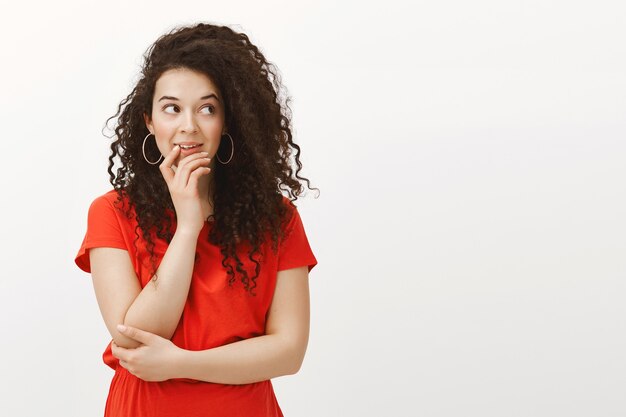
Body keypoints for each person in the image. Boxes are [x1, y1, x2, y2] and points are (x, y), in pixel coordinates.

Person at [74, 22, 318, 417]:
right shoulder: (111, 212)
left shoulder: (278, 218)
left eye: (207, 108)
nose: (189, 125)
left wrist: (179, 363)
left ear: (228, 122)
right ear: (149, 122)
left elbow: (288, 352)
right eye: (172, 108)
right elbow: (136, 341)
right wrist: (188, 226)